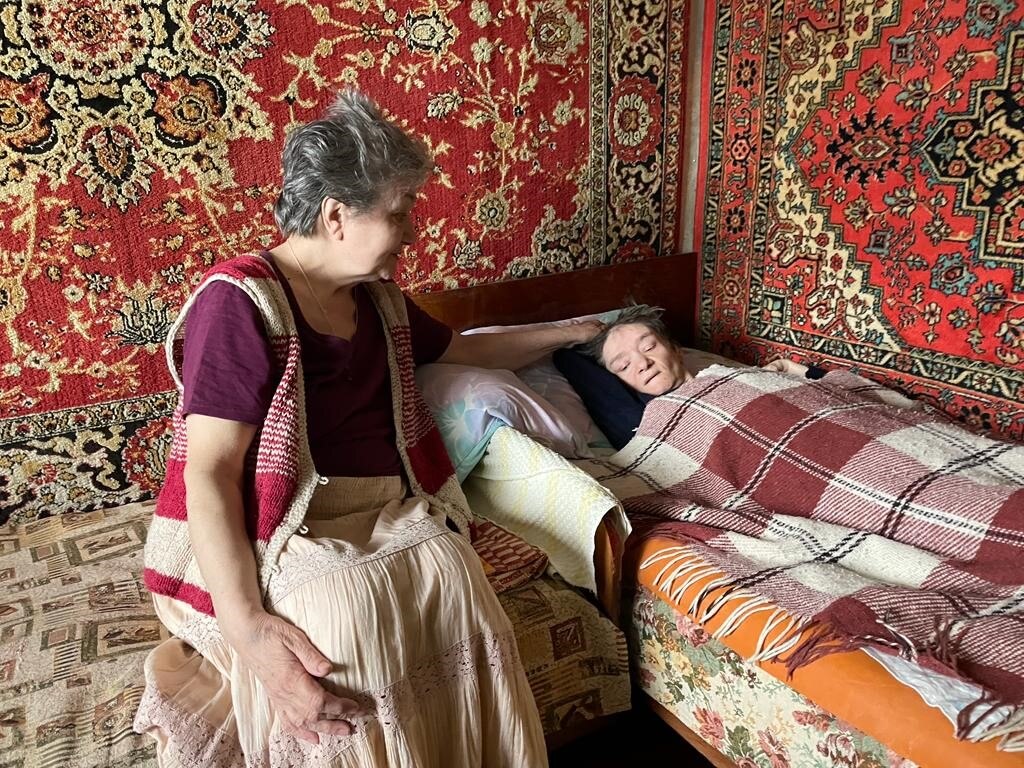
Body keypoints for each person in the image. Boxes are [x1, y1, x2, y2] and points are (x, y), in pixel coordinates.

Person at [133, 90, 599, 767]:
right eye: (399, 211)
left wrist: (581, 332)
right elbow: (209, 471)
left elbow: (464, 348)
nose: (411, 230)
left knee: (452, 575)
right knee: (346, 616)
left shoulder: (378, 301)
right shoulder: (239, 304)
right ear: (335, 215)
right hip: (281, 522)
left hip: (384, 506)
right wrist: (248, 630)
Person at [554, 305, 827, 450]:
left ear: (676, 349)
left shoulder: (728, 379)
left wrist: (785, 370)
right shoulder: (644, 420)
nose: (642, 364)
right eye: (624, 365)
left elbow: (827, 384)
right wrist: (575, 334)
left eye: (649, 347)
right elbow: (567, 359)